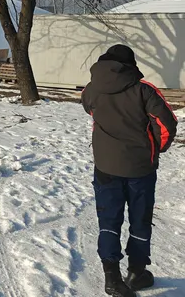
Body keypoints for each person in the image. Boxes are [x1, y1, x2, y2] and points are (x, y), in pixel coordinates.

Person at [81, 44, 178, 296]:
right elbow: (167, 126)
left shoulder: (92, 89)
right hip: (140, 169)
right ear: (130, 65)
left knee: (109, 220)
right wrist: (155, 150)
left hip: (105, 167)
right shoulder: (144, 90)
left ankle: (112, 278)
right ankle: (136, 272)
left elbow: (89, 108)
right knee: (140, 220)